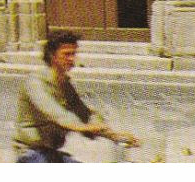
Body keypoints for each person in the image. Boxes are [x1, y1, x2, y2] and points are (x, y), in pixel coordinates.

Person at [14, 31, 138, 162]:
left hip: (50, 153)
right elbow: (56, 113)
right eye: (67, 54)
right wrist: (85, 127)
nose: (72, 59)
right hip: (31, 154)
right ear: (52, 55)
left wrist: (114, 136)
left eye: (74, 54)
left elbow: (85, 115)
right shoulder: (35, 82)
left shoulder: (65, 84)